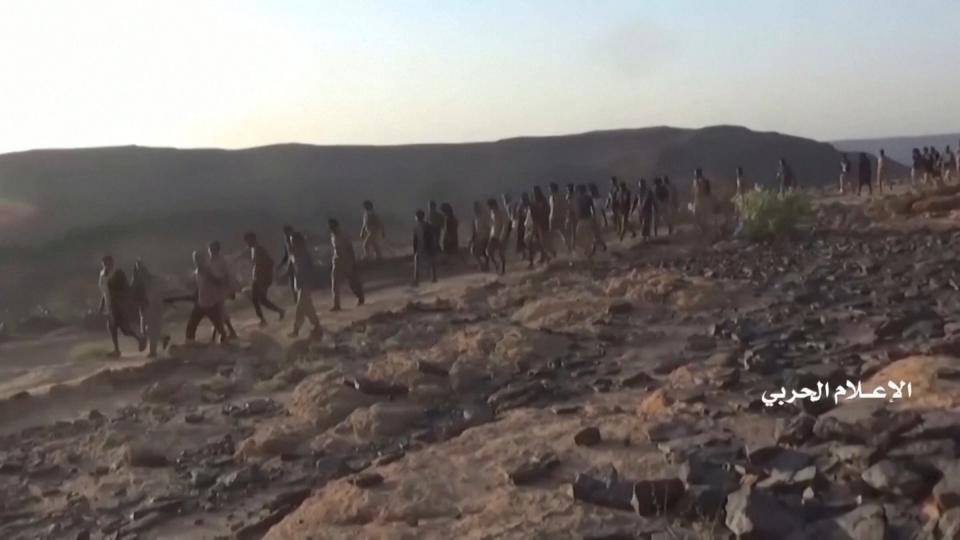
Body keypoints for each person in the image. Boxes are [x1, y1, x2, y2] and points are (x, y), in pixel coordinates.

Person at [98, 255, 146, 357]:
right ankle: (117, 350)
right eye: (105, 263)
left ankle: (139, 340)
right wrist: (102, 306)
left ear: (112, 263)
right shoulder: (102, 275)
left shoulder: (118, 273)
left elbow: (126, 289)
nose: (107, 265)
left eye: (109, 263)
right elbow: (104, 291)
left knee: (124, 329)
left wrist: (119, 299)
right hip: (110, 305)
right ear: (103, 264)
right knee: (113, 327)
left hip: (119, 305)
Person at [185, 250, 230, 343]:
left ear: (202, 260)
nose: (196, 261)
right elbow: (199, 287)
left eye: (198, 259)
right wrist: (193, 296)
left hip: (211, 304)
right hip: (200, 304)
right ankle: (190, 343)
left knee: (219, 327)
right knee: (191, 326)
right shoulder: (196, 272)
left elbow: (218, 282)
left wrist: (222, 289)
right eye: (195, 259)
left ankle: (225, 340)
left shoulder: (208, 271)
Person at [244, 232, 284, 327]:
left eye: (248, 241)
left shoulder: (260, 249)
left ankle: (277, 312)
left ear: (253, 239)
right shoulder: (253, 249)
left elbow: (270, 262)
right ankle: (265, 318)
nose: (247, 244)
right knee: (256, 300)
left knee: (261, 300)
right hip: (257, 278)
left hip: (261, 279)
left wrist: (267, 277)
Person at [131, 260, 170, 357]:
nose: (139, 271)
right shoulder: (136, 281)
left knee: (152, 329)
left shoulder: (151, 280)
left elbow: (158, 293)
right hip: (143, 308)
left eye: (140, 268)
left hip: (153, 306)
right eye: (137, 268)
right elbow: (133, 294)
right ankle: (163, 338)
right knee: (144, 331)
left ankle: (153, 352)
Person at [286, 233, 322, 338]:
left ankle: (297, 330)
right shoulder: (294, 254)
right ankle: (316, 325)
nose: (292, 243)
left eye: (293, 240)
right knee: (306, 307)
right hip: (299, 284)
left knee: (300, 307)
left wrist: (312, 280)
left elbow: (311, 268)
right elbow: (293, 269)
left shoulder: (305, 254)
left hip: (305, 283)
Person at [329, 218, 364, 312]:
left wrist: (353, 262)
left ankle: (360, 296)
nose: (332, 228)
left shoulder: (343, 235)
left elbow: (350, 248)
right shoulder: (332, 236)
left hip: (346, 261)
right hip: (337, 261)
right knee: (334, 283)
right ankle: (336, 304)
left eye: (333, 226)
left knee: (352, 282)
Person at [207, 241, 238, 340]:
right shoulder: (209, 261)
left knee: (219, 312)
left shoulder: (222, 260)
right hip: (212, 290)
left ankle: (222, 334)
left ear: (216, 249)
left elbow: (228, 276)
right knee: (219, 312)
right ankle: (229, 332)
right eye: (209, 249)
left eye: (212, 249)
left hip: (220, 289)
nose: (210, 250)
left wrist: (231, 289)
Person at [573, 184, 600, 261]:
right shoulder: (579, 199)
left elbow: (592, 209)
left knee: (585, 238)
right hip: (583, 220)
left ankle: (589, 253)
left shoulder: (585, 198)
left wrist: (593, 218)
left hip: (585, 220)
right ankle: (588, 252)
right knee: (582, 238)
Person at [413, 209, 438, 285]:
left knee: (418, 264)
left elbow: (415, 239)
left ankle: (416, 280)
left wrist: (415, 250)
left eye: (416, 216)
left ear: (417, 217)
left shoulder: (417, 226)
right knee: (431, 263)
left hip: (423, 248)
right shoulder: (428, 225)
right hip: (428, 247)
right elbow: (432, 236)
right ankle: (434, 278)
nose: (415, 218)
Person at [531, 186, 555, 259]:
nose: (535, 194)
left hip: (543, 224)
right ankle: (544, 255)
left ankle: (551, 253)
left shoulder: (543, 200)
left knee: (544, 241)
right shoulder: (534, 201)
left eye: (535, 192)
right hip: (537, 223)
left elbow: (547, 211)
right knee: (537, 241)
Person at [467, 200, 491, 271]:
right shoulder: (475, 219)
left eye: (476, 208)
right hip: (479, 238)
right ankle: (482, 265)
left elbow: (490, 226)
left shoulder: (484, 217)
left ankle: (484, 266)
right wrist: (471, 239)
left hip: (485, 238)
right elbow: (474, 230)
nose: (475, 209)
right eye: (475, 208)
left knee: (482, 253)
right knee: (475, 251)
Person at [487, 198, 509, 275]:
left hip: (500, 235)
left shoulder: (501, 213)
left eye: (490, 206)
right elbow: (493, 225)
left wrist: (502, 237)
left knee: (501, 253)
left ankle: (503, 269)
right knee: (489, 251)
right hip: (493, 235)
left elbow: (505, 225)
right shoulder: (492, 213)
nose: (490, 208)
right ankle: (496, 264)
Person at [277, 225, 298, 300]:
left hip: (298, 262)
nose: (286, 234)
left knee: (299, 281)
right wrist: (281, 265)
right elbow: (287, 255)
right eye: (285, 232)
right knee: (292, 282)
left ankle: (300, 299)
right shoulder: (286, 242)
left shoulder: (296, 240)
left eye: (287, 232)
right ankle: (296, 299)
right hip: (291, 263)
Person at [548, 183, 571, 252]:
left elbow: (564, 206)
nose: (549, 190)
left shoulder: (560, 196)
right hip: (553, 217)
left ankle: (568, 246)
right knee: (551, 234)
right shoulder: (551, 197)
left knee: (562, 233)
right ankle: (552, 249)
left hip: (559, 217)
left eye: (550, 188)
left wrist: (564, 215)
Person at [692, 168, 713, 233]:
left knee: (703, 216)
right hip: (696, 200)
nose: (695, 175)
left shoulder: (704, 181)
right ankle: (702, 228)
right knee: (695, 214)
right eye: (694, 174)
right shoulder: (694, 181)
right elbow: (694, 191)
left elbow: (708, 191)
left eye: (696, 173)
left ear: (699, 173)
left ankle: (704, 230)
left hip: (703, 200)